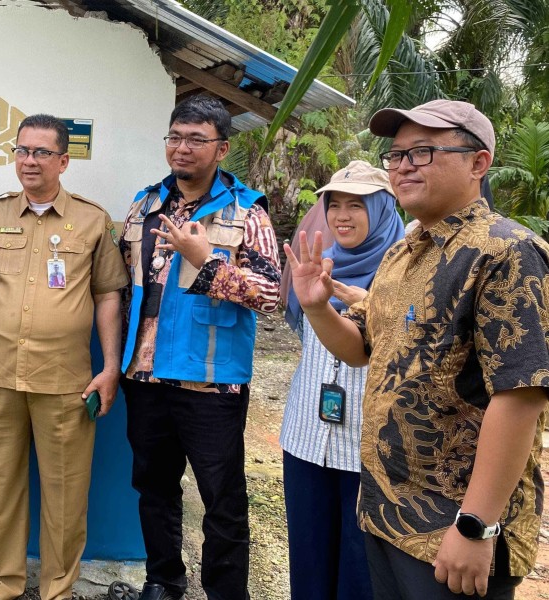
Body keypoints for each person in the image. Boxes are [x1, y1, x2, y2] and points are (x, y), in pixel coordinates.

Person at [286, 99, 549, 599]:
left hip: (452, 529)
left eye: (423, 152)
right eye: (397, 154)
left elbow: (521, 396)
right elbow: (363, 348)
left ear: (478, 163)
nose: (403, 165)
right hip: (387, 514)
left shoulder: (506, 251)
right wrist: (317, 308)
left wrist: (476, 525)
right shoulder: (404, 253)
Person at [0, 114, 128, 600]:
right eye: (22, 151)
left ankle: (56, 590)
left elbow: (109, 294)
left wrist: (110, 368)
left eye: (42, 152)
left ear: (64, 161)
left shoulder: (91, 219)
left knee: (66, 496)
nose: (29, 161)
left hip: (65, 381)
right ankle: (2, 584)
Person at [111, 95, 281, 600]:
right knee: (154, 489)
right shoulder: (144, 205)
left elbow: (272, 295)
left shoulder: (246, 211)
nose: (181, 148)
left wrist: (206, 261)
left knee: (222, 499)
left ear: (222, 147)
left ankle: (226, 592)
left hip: (212, 381)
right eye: (174, 137)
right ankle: (164, 580)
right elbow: (124, 283)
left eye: (195, 139)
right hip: (145, 375)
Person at [278, 161, 404, 600]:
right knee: (308, 563)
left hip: (370, 446)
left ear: (385, 209)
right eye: (334, 205)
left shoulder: (409, 269)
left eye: (357, 205)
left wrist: (373, 305)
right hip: (306, 437)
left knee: (361, 569)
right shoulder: (316, 262)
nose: (342, 216)